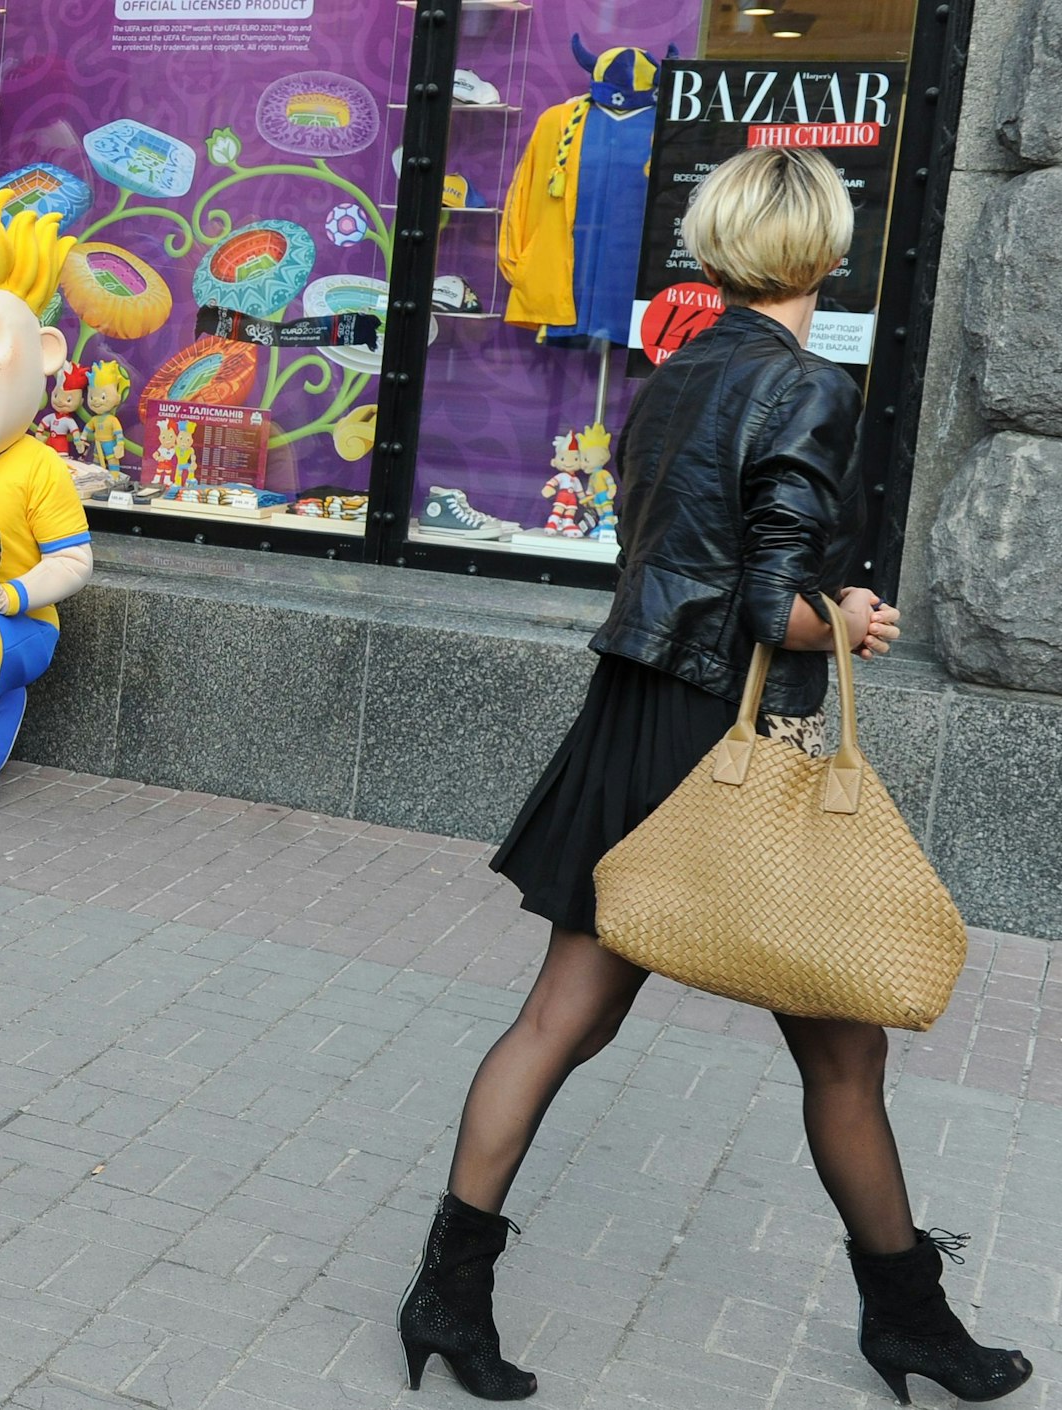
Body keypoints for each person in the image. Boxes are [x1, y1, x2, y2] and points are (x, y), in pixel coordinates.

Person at [397, 148, 1033, 1406]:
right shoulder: (804, 387)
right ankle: (904, 1320)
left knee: (555, 1020)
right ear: (826, 252)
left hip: (634, 717)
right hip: (732, 748)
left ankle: (443, 1293)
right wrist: (845, 617)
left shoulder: (677, 371)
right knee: (843, 1057)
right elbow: (764, 602)